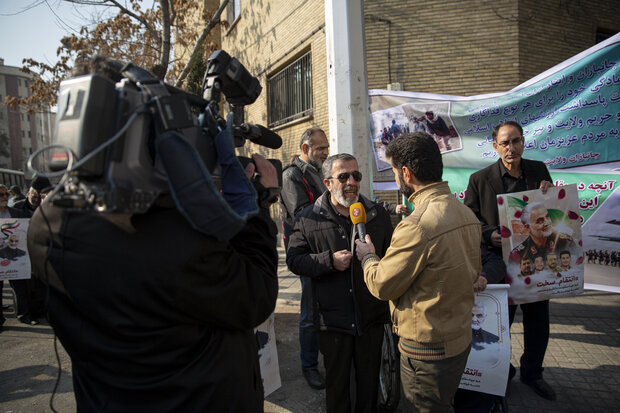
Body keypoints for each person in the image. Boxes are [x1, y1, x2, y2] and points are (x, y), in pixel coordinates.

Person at [355, 132, 482, 412]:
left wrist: (368, 257)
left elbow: (382, 285)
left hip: (427, 354)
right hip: (459, 341)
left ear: (406, 173)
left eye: (393, 171)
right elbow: (474, 274)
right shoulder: (466, 215)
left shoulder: (417, 225)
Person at [287, 153, 393, 413]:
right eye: (343, 176)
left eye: (356, 176)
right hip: (333, 321)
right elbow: (294, 260)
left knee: (368, 386)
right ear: (327, 183)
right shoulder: (309, 217)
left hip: (371, 318)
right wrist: (328, 261)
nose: (351, 182)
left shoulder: (376, 214)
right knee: (337, 388)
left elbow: (393, 257)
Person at [464, 120, 556, 401]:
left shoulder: (538, 171)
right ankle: (501, 372)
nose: (511, 147)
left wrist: (550, 194)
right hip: (499, 262)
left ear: (523, 142)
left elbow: (551, 211)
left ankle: (533, 373)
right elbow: (471, 220)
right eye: (505, 143)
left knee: (538, 321)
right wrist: (489, 234)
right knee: (500, 322)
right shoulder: (480, 179)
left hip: (534, 260)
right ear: (495, 146)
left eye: (515, 141)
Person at [280, 127, 329, 390]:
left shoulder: (321, 173)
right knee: (310, 312)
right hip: (305, 251)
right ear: (305, 148)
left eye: (326, 147)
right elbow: (302, 214)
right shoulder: (292, 175)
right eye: (320, 148)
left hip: (325, 246)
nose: (325, 152)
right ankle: (309, 366)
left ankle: (327, 357)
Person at [0, 184, 34, 330]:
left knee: (20, 288)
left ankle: (24, 315)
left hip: (16, 258)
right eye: (1, 195)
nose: (4, 198)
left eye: (6, 194)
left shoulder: (16, 212)